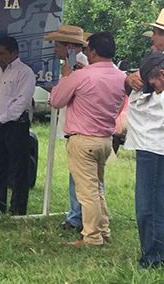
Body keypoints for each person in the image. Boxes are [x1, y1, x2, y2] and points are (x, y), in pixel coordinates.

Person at [51, 32, 126, 247]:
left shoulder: (81, 76)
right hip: (105, 138)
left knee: (87, 192)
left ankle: (92, 236)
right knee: (97, 187)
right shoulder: (121, 76)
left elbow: (56, 100)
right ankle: (103, 230)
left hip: (83, 138)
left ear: (92, 51)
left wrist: (66, 76)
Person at [0, 36, 36, 215]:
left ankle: (18, 208)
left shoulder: (24, 72)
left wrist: (1, 118)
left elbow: (22, 101)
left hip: (15, 124)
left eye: (3, 54)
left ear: (14, 53)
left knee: (19, 167)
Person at [124, 15, 164, 267]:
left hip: (154, 146)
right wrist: (129, 81)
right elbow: (134, 86)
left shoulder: (156, 68)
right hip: (151, 144)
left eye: (156, 33)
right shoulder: (154, 61)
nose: (153, 38)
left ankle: (153, 257)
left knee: (149, 204)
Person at [44, 25, 89, 231]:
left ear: (70, 46)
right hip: (79, 127)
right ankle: (79, 214)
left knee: (79, 177)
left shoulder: (78, 67)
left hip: (79, 128)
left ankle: (77, 217)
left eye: (58, 44)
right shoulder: (73, 66)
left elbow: (62, 98)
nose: (54, 48)